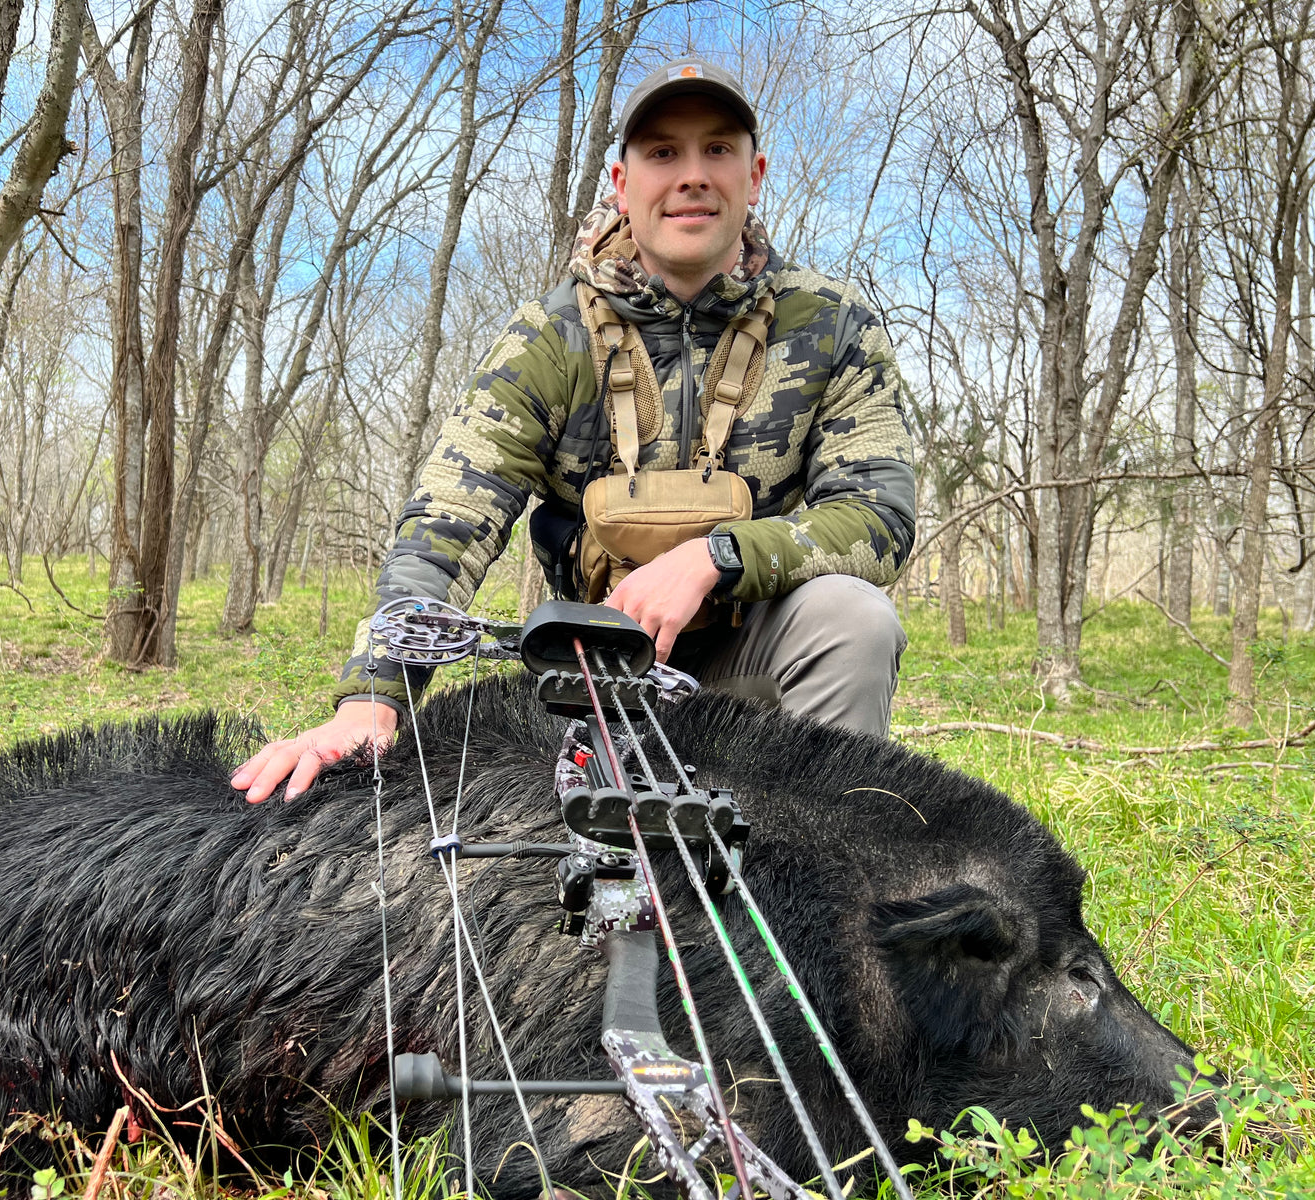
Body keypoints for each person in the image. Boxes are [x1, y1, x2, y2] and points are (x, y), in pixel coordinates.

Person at [232, 57, 915, 804]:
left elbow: (877, 516)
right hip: (596, 677)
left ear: (754, 175)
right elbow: (448, 522)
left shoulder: (832, 323)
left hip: (760, 662)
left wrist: (713, 559)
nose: (691, 175)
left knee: (855, 618)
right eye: (662, 153)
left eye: (716, 149)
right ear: (623, 185)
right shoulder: (550, 337)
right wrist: (372, 700)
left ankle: (825, 868)